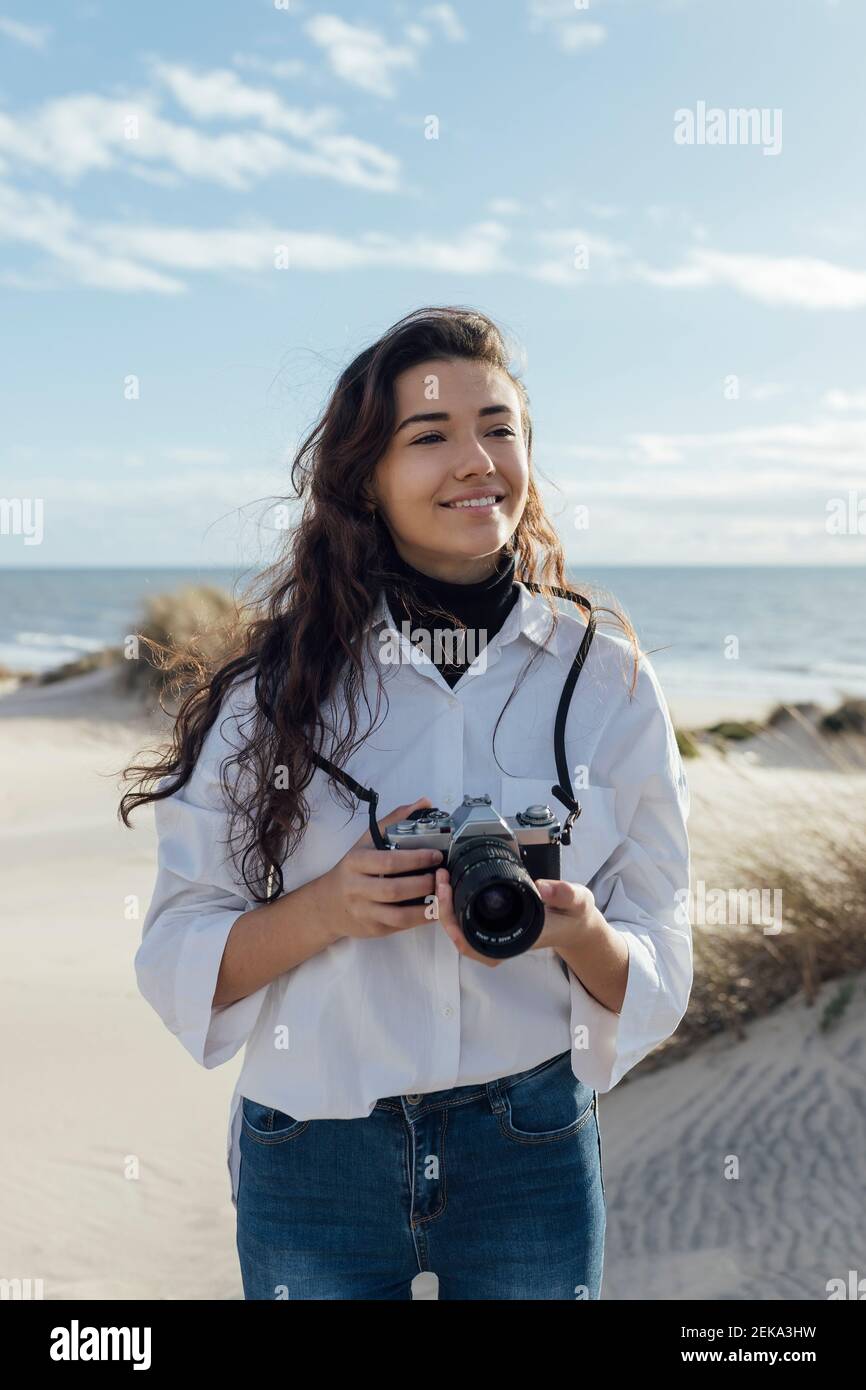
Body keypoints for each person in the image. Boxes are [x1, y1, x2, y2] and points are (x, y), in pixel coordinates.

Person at [120, 305, 692, 1301]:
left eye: (499, 428)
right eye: (428, 436)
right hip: (313, 1146)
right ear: (366, 480)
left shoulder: (604, 680)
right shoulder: (273, 692)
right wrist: (326, 911)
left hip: (531, 1139)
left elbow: (661, 941)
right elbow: (175, 959)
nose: (476, 460)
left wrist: (581, 935)